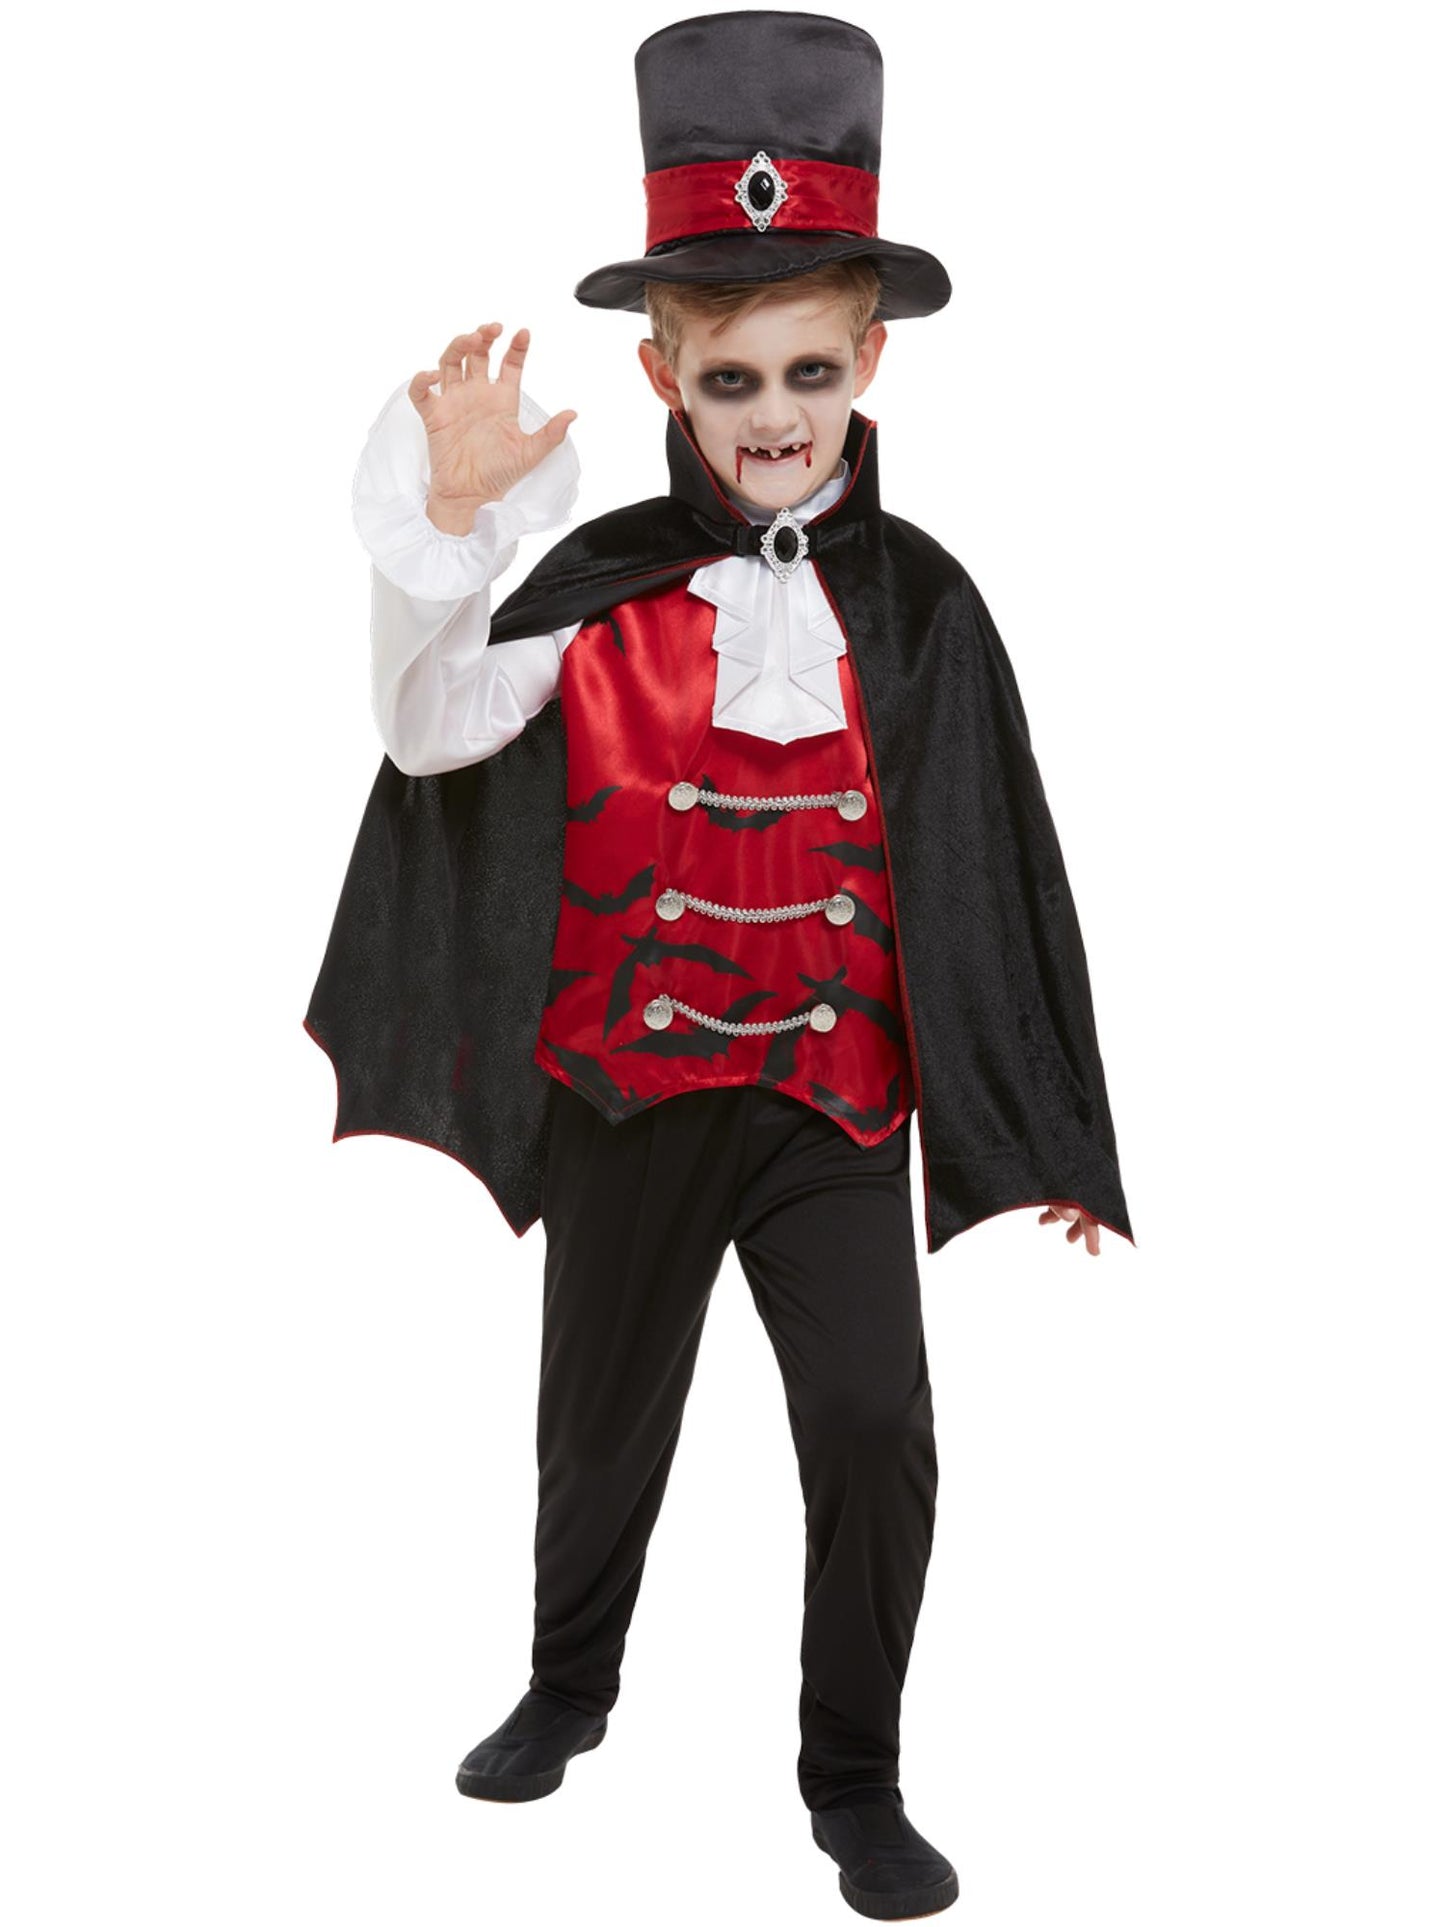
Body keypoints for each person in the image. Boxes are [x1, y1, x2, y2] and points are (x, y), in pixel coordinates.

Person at [305, 13, 1133, 1919]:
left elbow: (1001, 870)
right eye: (732, 375)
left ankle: (856, 1776)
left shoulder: (923, 603)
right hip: (624, 1086)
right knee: (600, 1425)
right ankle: (565, 1689)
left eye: (810, 372)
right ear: (661, 372)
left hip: (833, 1105)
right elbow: (428, 735)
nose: (774, 415)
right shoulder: (591, 574)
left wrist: (1046, 1129)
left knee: (873, 1426)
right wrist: (451, 532)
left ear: (872, 361)